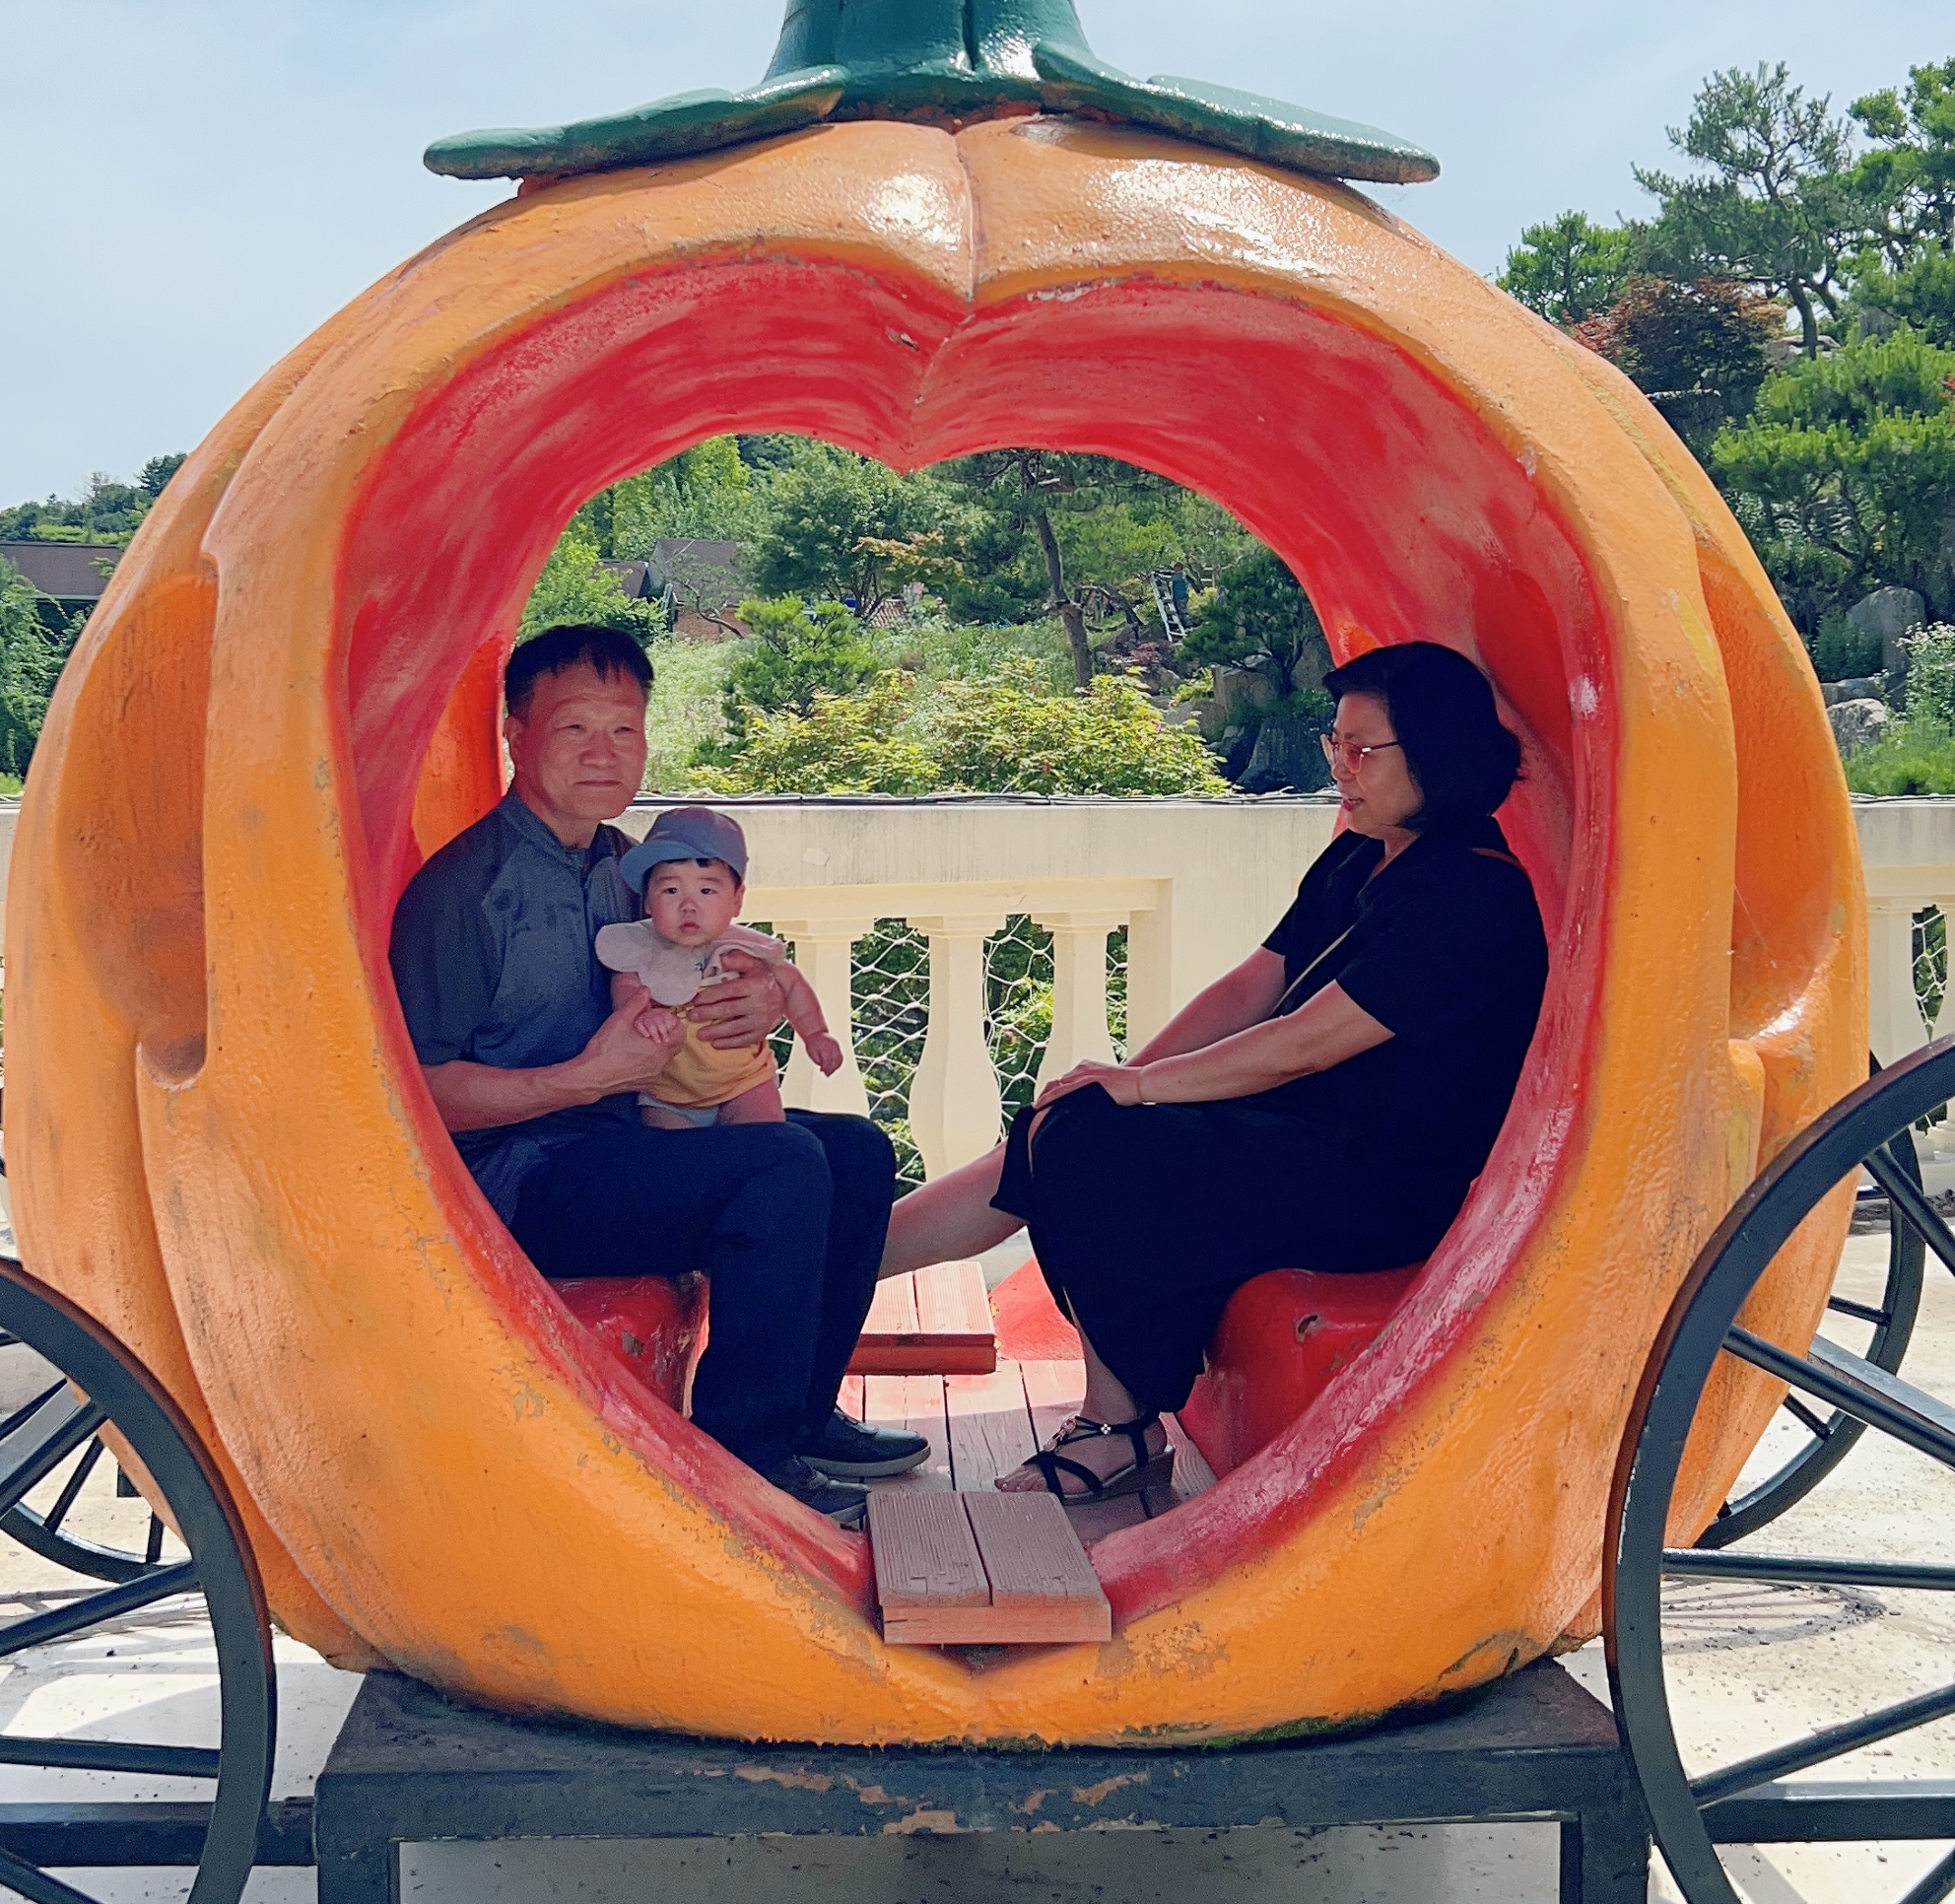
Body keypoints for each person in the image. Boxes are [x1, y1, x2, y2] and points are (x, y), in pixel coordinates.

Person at [879, 642, 1548, 1507]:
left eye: (1362, 749)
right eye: (1335, 743)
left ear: (1437, 755)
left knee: (1090, 1142)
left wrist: (1139, 1090)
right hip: (1299, 1142)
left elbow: (1306, 1043)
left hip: (1378, 1187)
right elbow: (1253, 985)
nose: (1340, 767)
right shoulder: (1364, 853)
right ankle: (846, 1265)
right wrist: (1122, 1077)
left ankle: (1119, 1425)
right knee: (1069, 1123)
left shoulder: (1473, 895)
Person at [388, 624, 919, 1522]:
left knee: (857, 1153)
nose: (602, 754)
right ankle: (745, 1462)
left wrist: (756, 999)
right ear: (515, 734)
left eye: (623, 730)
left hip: (621, 1137)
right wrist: (582, 1079)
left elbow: (697, 960)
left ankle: (799, 1417)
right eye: (573, 729)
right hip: (516, 1179)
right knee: (781, 1165)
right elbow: (416, 1096)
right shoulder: (466, 893)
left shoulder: (623, 865)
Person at [595, 806, 844, 1129]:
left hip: (745, 1084)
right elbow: (625, 986)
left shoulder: (742, 949)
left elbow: (791, 983)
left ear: (737, 899)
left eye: (707, 890)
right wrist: (641, 1015)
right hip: (668, 1095)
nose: (688, 905)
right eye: (670, 890)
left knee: (766, 1139)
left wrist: (815, 1033)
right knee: (675, 1153)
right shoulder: (641, 949)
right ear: (647, 901)